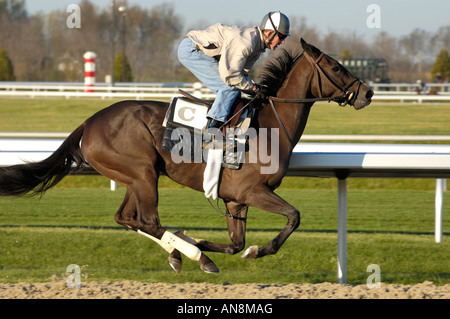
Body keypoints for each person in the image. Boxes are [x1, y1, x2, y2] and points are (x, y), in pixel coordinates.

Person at [177, 11, 290, 131]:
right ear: (269, 33)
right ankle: (212, 131)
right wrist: (254, 88)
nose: (283, 42)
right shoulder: (247, 43)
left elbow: (242, 75)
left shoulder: (257, 46)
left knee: (235, 90)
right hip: (191, 50)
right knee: (229, 87)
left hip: (197, 50)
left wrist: (255, 90)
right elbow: (230, 75)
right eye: (281, 37)